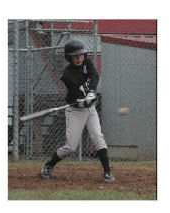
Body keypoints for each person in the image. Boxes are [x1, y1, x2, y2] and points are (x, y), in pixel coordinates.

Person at [39, 38, 115, 183]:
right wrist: (82, 99)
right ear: (69, 58)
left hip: (90, 109)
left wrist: (92, 92)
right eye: (75, 56)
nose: (79, 58)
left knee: (98, 138)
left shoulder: (87, 63)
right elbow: (76, 95)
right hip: (75, 110)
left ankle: (107, 171)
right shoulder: (67, 75)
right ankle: (49, 165)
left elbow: (94, 76)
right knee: (70, 147)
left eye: (80, 55)